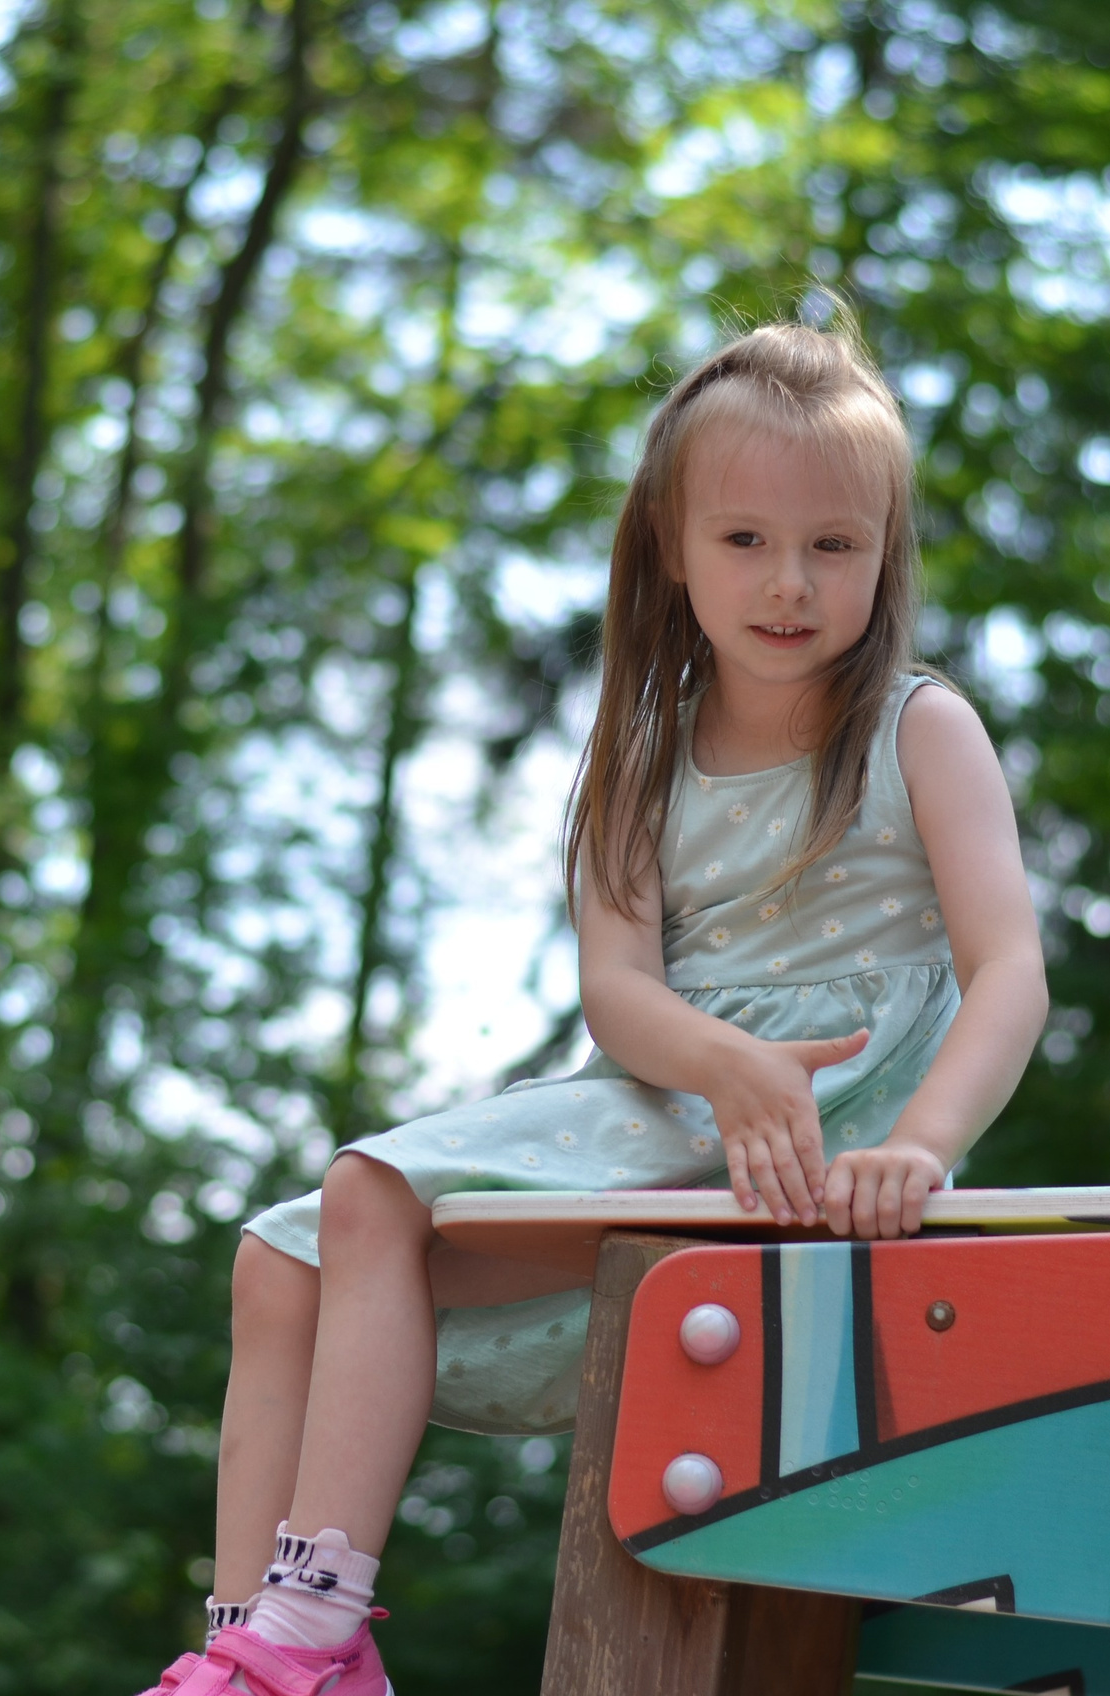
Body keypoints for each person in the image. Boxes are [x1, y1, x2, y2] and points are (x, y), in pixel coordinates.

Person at [143, 310, 1048, 1695]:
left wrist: (918, 1147)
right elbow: (619, 994)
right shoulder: (640, 755)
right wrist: (726, 1060)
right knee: (285, 1264)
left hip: (838, 1123)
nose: (789, 582)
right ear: (672, 551)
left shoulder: (917, 730)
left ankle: (315, 1625)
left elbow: (1010, 971)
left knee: (367, 1190)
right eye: (744, 539)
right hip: (674, 1101)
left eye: (834, 544)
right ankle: (257, 1651)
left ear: (885, 553)